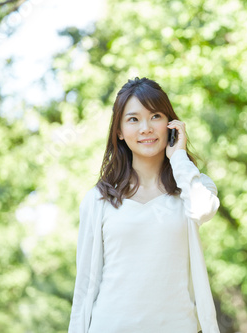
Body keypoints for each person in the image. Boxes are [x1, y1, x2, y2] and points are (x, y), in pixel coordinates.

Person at [68, 77, 221, 333]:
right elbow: (85, 285)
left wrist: (179, 158)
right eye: (133, 119)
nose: (146, 128)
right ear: (118, 131)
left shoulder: (192, 186)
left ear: (171, 125)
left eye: (156, 116)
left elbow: (204, 210)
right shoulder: (98, 199)